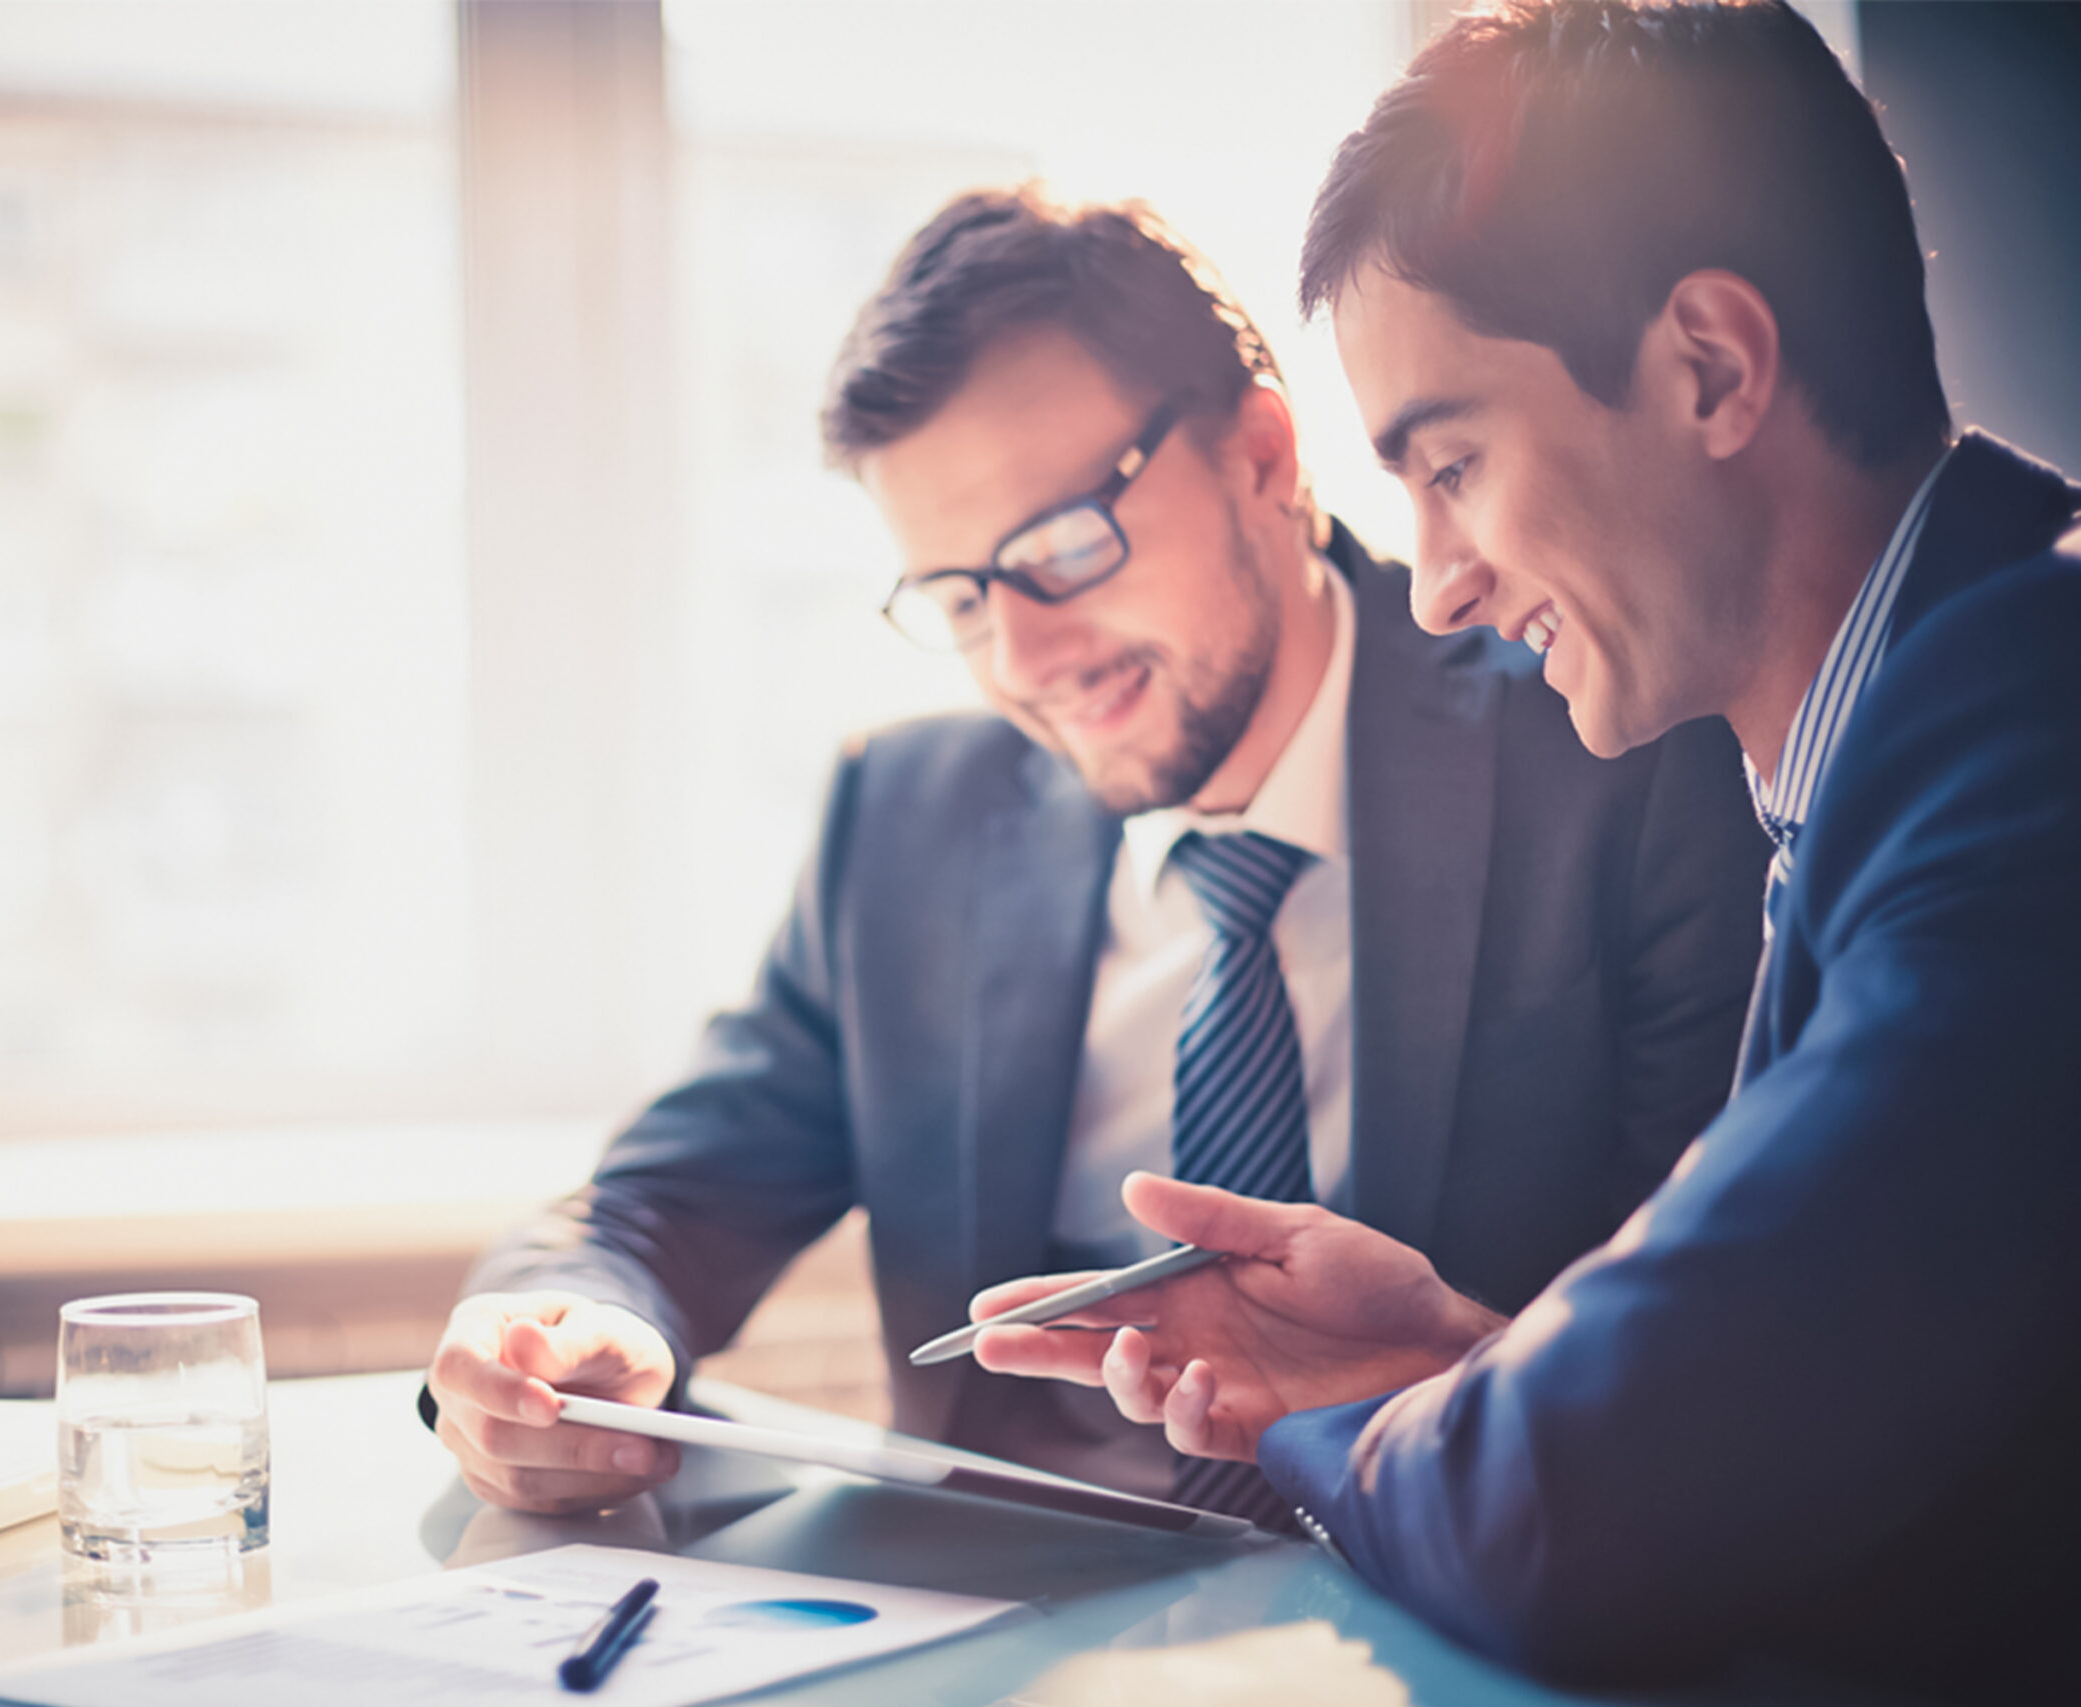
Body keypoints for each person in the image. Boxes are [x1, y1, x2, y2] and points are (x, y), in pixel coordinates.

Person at [968, 2, 2081, 1695]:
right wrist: (1464, 1354)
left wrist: (1378, 1415)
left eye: (1457, 465)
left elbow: (1571, 1514)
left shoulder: (2024, 749)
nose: (1436, 585)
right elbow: (1807, 1433)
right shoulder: (1899, 738)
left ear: (1712, 365)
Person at [422, 185, 1768, 1534]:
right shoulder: (905, 818)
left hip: (1439, 1598)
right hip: (996, 1632)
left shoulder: (1613, 749)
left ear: (1260, 457)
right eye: (958, 597)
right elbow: (662, 1200)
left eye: (1063, 546)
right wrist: (558, 1329)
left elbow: (1712, 1354)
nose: (1023, 659)